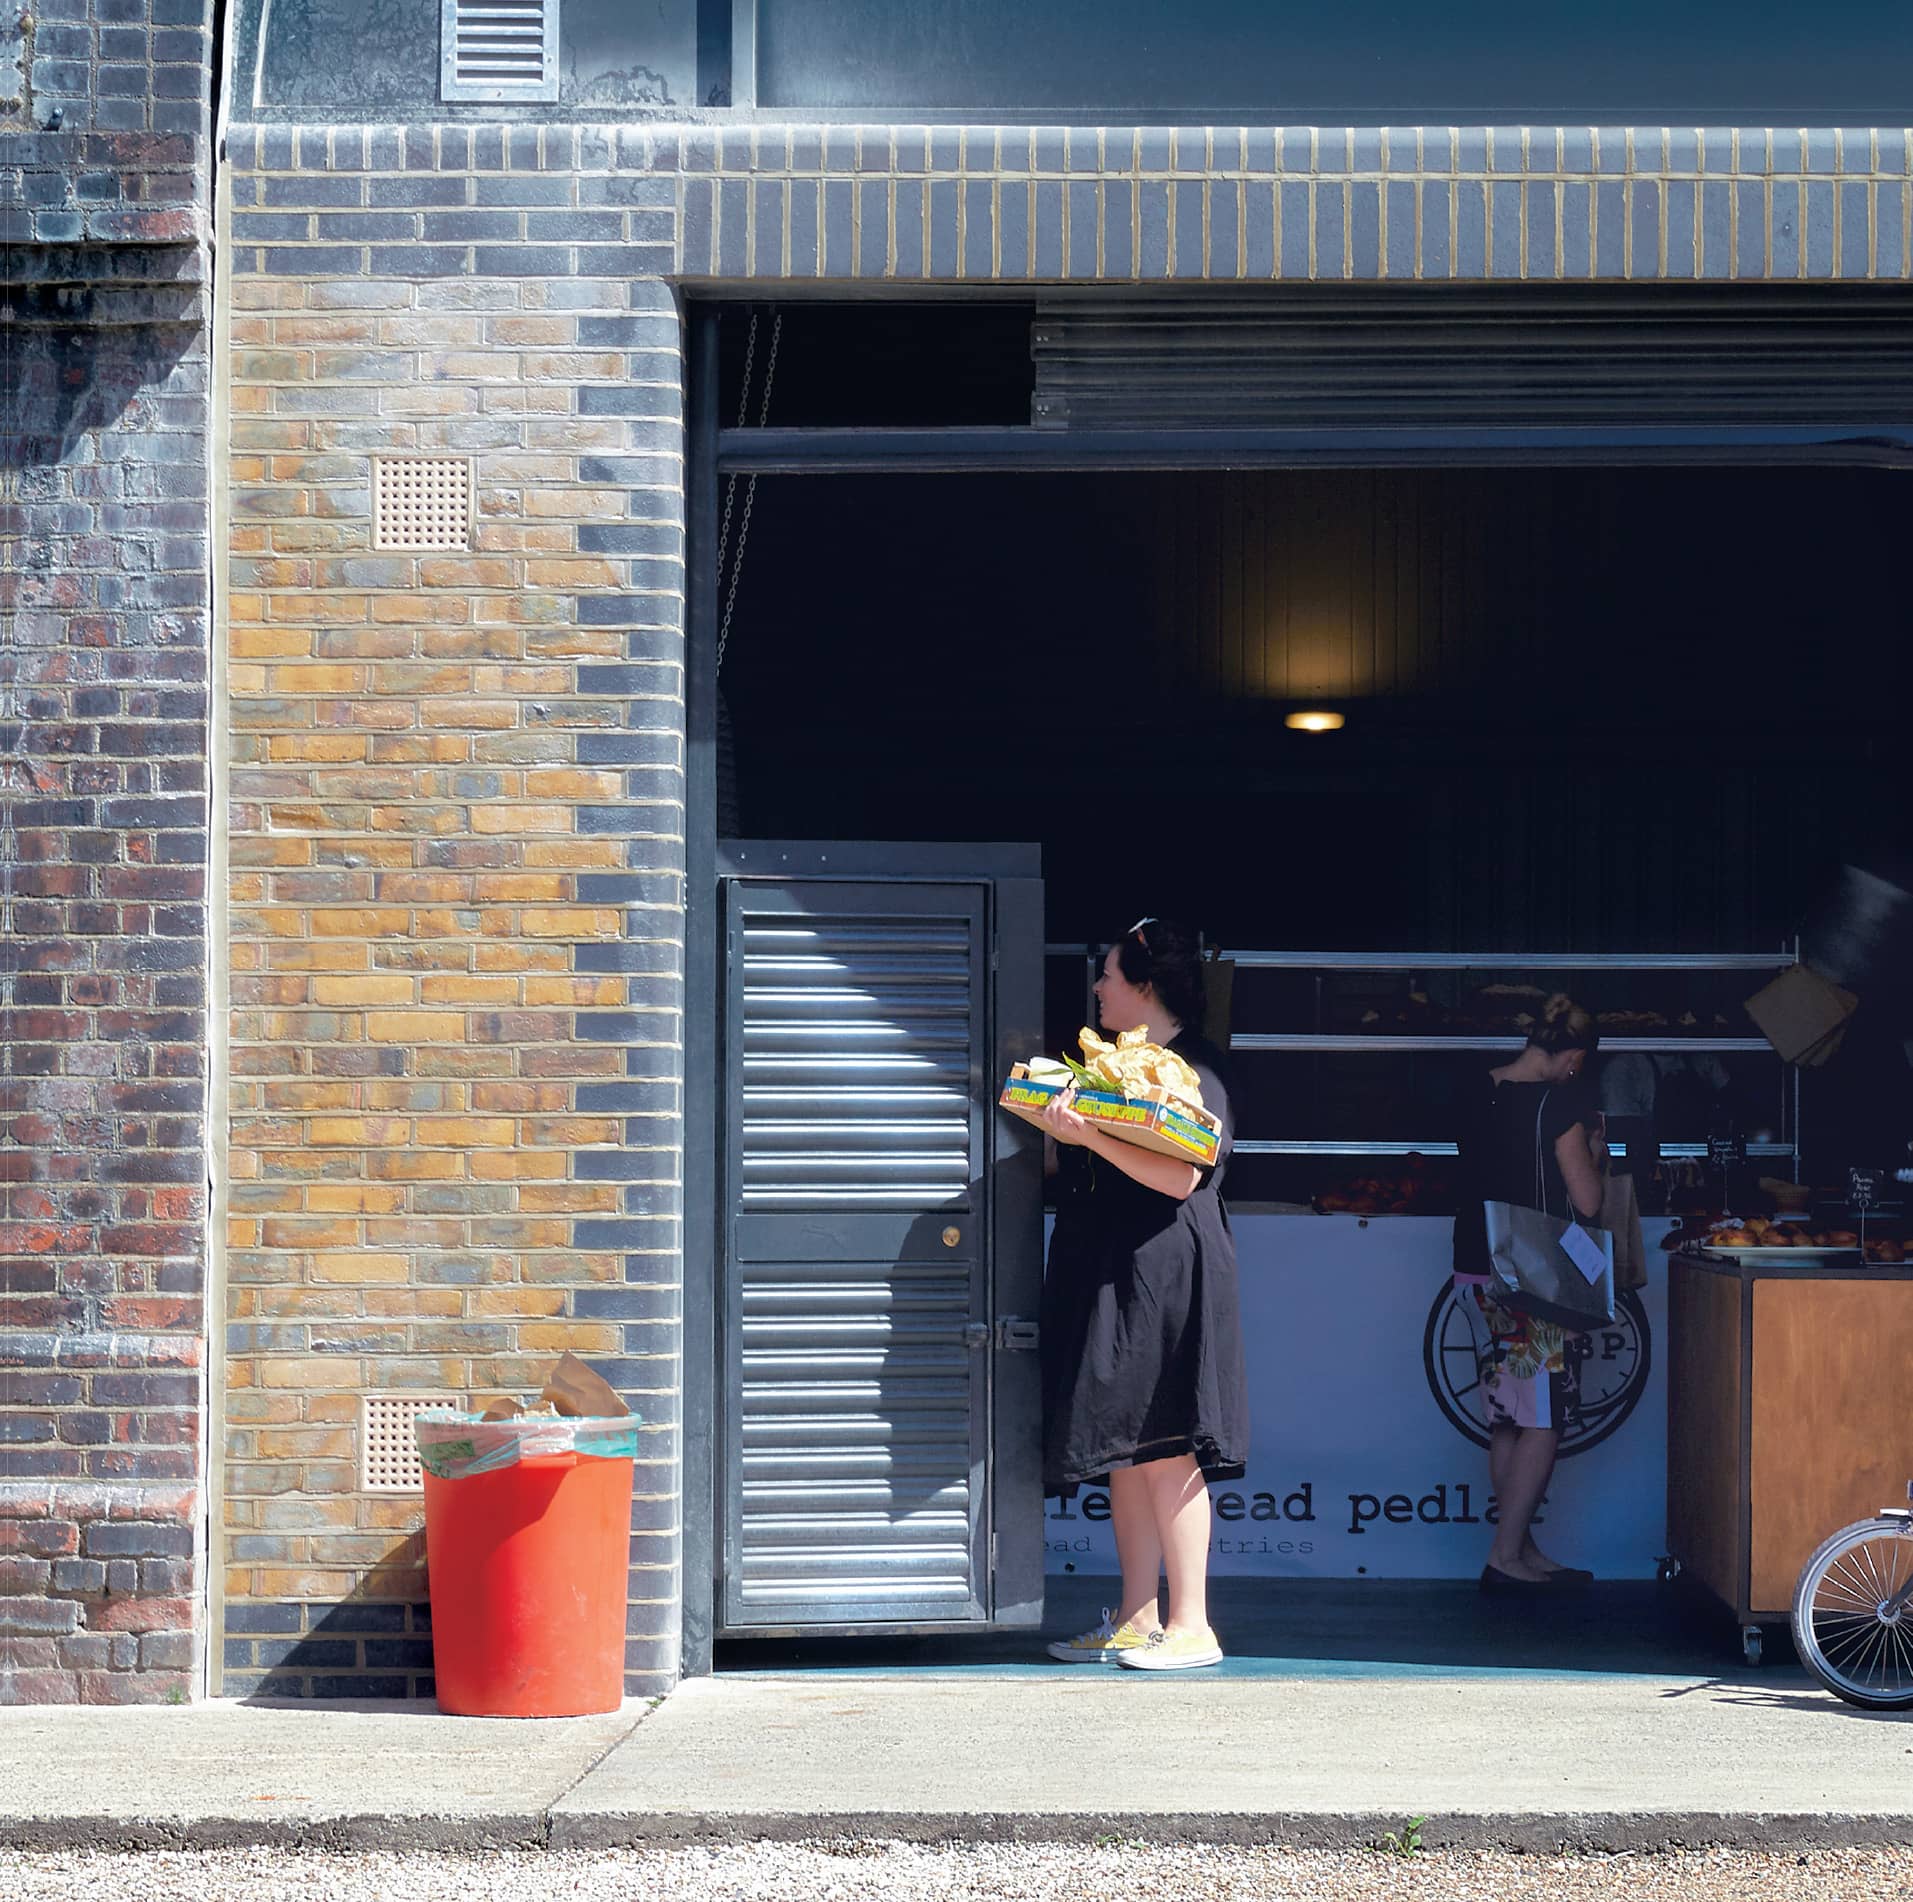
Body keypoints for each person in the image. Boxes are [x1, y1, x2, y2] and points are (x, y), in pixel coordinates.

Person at [1038, 918, 1249, 1671]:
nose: (1096, 988)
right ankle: (1136, 1617)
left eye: (1108, 975)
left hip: (1165, 1269)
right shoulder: (1113, 1066)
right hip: (1106, 1262)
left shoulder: (1195, 1069)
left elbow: (1181, 1175)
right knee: (1122, 1447)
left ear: (1144, 986)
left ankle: (1193, 1625)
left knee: (1166, 1442)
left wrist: (1088, 1136)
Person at [1451, 994, 1605, 1594]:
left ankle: (1522, 1546)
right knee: (1543, 1419)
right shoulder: (1561, 1104)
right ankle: (1505, 1555)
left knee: (1509, 1417)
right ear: (1572, 1055)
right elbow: (1588, 1202)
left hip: (1474, 1270)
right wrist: (1595, 1149)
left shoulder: (1476, 1089)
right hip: (1534, 1282)